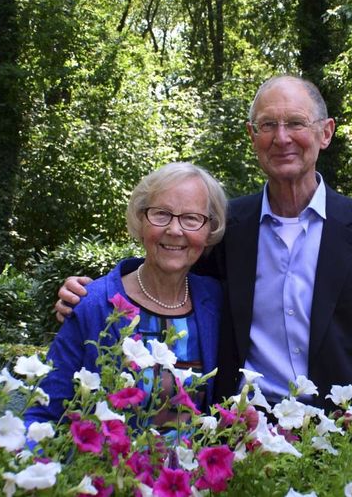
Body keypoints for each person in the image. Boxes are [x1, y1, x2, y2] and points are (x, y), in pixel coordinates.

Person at [56, 76, 352, 407]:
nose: (282, 138)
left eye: (296, 123)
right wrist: (97, 293)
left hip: (342, 440)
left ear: (326, 132)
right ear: (252, 135)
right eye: (268, 125)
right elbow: (172, 265)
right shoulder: (227, 226)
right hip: (243, 435)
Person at [26, 162, 228, 427]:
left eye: (191, 218)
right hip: (107, 467)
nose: (175, 230)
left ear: (209, 229)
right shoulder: (94, 305)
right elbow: (44, 413)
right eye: (161, 214)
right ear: (140, 219)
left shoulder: (217, 302)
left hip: (194, 467)